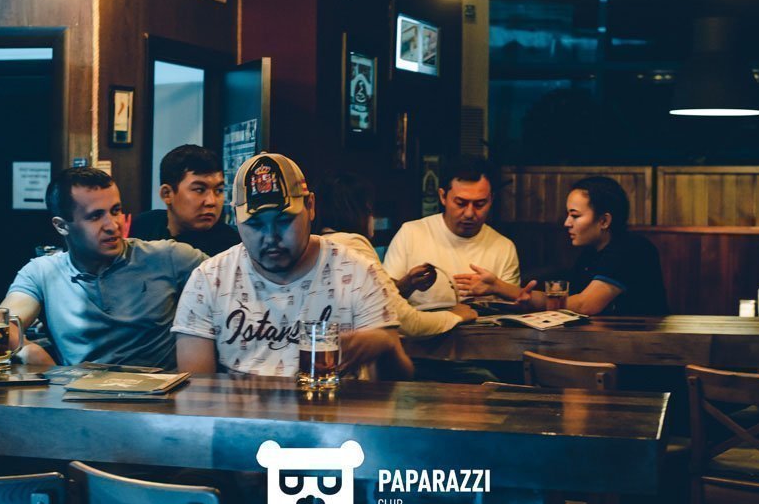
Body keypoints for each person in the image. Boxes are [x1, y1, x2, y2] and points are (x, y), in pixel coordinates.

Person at [173, 152, 412, 379]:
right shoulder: (209, 279)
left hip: (334, 407)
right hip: (237, 409)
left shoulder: (358, 272)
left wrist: (386, 346)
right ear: (236, 218)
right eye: (255, 224)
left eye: (284, 220)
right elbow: (197, 390)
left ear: (310, 207)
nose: (271, 237)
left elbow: (396, 386)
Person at [0, 167, 208, 368]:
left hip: (158, 390)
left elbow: (223, 279)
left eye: (116, 211)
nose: (113, 225)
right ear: (61, 226)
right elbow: (0, 324)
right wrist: (28, 350)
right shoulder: (42, 272)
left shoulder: (168, 257)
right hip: (78, 390)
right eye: (95, 216)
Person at [455, 176, 669, 316]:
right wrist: (499, 287)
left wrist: (500, 287)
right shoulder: (590, 253)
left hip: (640, 355)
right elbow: (565, 301)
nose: (567, 222)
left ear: (604, 221)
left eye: (575, 215)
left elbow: (585, 305)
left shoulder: (631, 249)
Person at [315, 173, 477, 337]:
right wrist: (455, 315)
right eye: (369, 209)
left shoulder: (320, 246)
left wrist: (405, 286)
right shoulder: (353, 246)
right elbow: (409, 322)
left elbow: (371, 302)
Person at [383, 155, 520, 309]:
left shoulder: (503, 247)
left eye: (479, 204)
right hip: (424, 323)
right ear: (443, 196)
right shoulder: (411, 233)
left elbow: (512, 309)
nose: (469, 213)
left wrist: (497, 287)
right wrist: (408, 284)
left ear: (491, 200)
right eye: (460, 203)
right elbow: (381, 302)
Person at [130, 144, 240, 257]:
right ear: (167, 194)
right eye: (199, 190)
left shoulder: (232, 249)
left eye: (219, 190)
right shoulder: (144, 227)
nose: (211, 202)